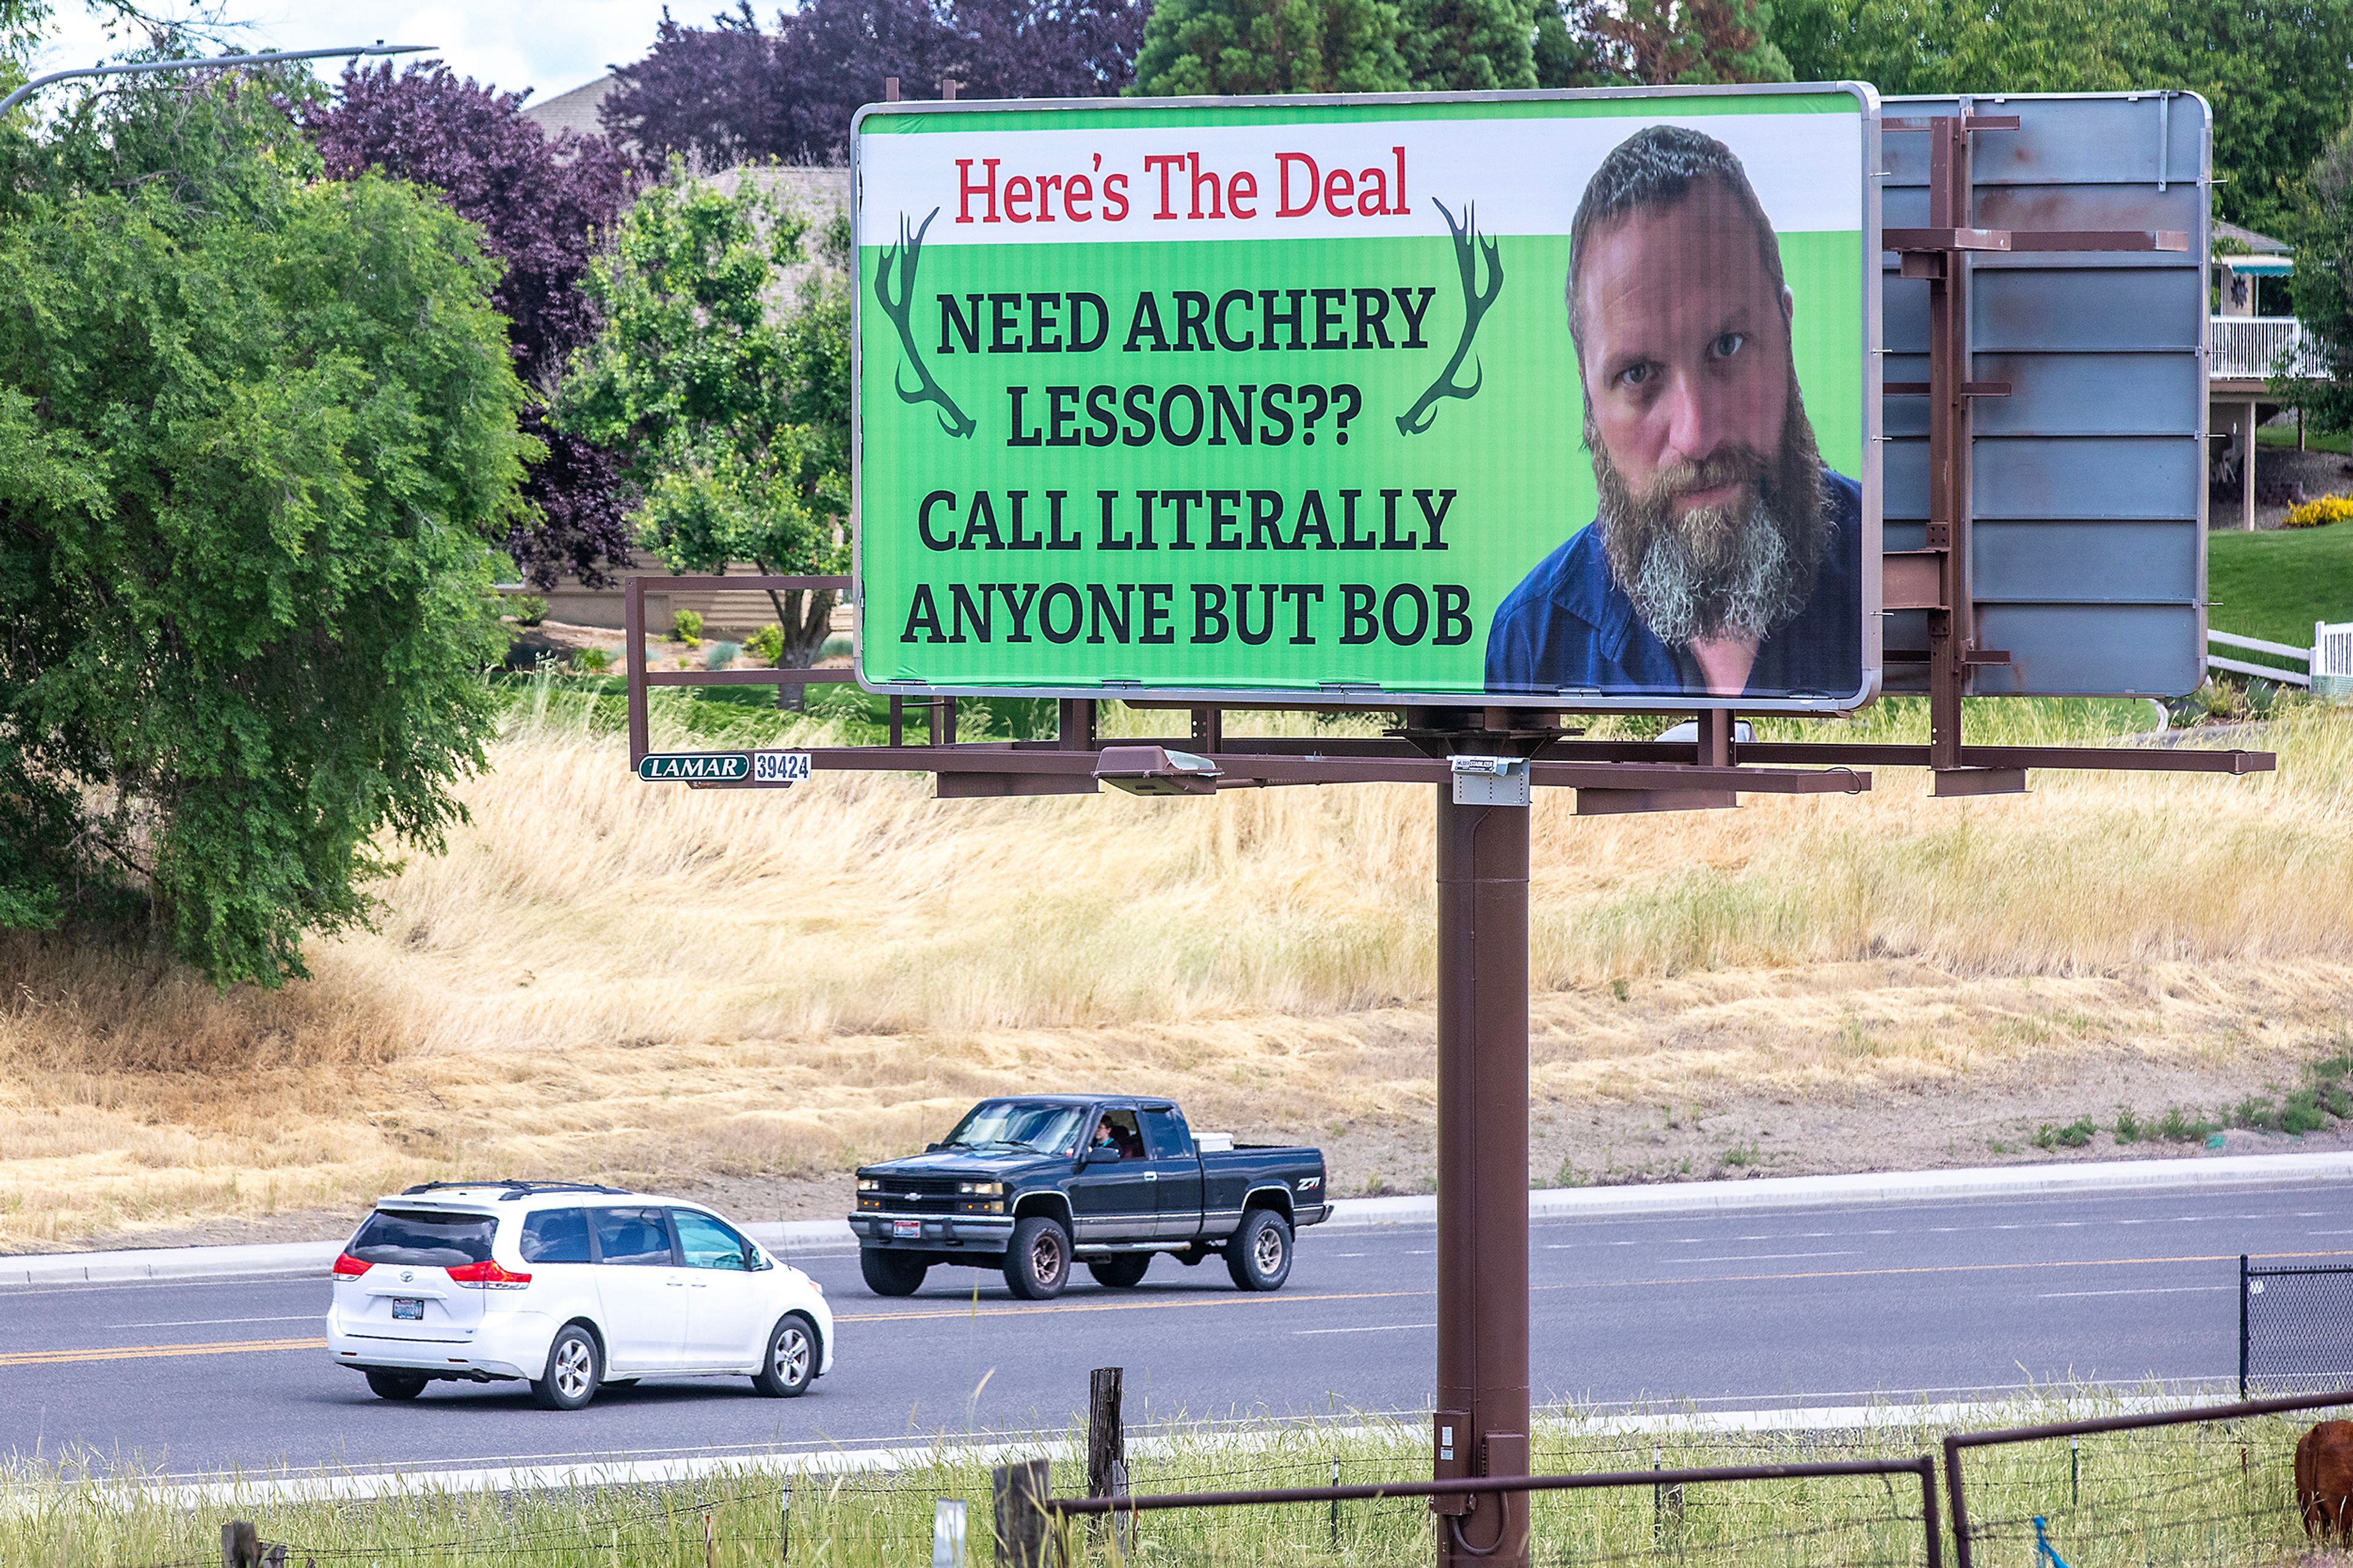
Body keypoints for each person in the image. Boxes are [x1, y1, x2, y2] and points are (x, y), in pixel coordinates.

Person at [1486, 124, 1863, 700]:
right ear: (1588, 396)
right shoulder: (1533, 643)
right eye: (1638, 374)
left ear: (1785, 332)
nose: (1697, 435)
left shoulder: (1896, 584)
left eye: (1728, 346)